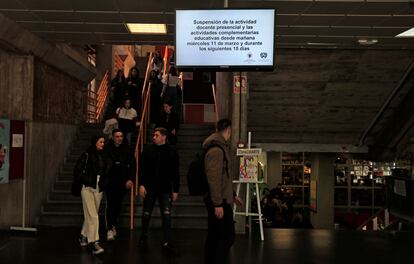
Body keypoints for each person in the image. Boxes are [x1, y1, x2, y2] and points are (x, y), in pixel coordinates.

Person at [203, 118, 242, 264]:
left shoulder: (219, 147)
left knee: (215, 236)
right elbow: (214, 179)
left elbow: (224, 177)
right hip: (219, 201)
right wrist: (218, 203)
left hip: (221, 199)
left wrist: (233, 195)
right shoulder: (216, 150)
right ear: (229, 131)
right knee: (227, 236)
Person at [138, 127, 179, 252]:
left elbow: (175, 172)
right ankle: (143, 236)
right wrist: (141, 185)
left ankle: (167, 241)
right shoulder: (147, 150)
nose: (153, 137)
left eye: (156, 135)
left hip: (165, 189)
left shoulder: (172, 151)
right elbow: (142, 169)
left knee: (166, 215)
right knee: (146, 214)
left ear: (164, 137)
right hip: (150, 188)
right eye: (154, 135)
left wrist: (175, 190)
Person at [74, 134, 108, 255]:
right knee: (93, 216)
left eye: (104, 142)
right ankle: (94, 243)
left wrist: (103, 182)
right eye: (100, 142)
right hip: (87, 187)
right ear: (95, 142)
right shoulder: (87, 154)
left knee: (91, 215)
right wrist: (86, 180)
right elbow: (77, 170)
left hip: (99, 187)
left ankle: (83, 236)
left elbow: (106, 171)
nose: (103, 144)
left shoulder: (104, 155)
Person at [105, 129, 136, 241]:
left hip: (122, 182)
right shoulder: (107, 148)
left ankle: (113, 225)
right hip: (110, 182)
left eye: (121, 136)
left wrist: (130, 179)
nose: (120, 138)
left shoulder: (127, 149)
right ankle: (109, 229)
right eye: (117, 136)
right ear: (113, 137)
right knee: (110, 205)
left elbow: (133, 165)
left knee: (118, 206)